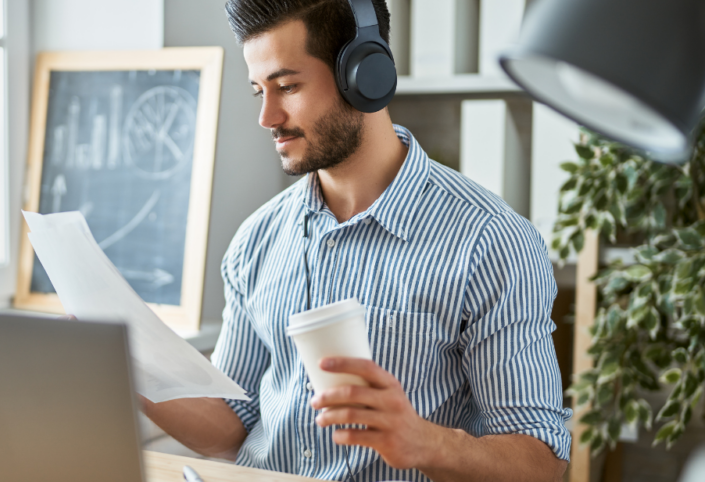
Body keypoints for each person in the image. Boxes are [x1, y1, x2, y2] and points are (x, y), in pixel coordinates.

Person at [141, 1, 572, 480]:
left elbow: (541, 465)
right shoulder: (256, 240)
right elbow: (232, 428)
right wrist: (130, 367)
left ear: (365, 75)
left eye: (287, 86)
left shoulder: (491, 242)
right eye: (259, 90)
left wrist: (424, 441)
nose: (267, 116)